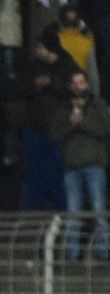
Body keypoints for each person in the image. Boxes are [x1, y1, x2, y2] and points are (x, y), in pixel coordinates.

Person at [48, 70, 110, 261]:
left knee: (99, 211)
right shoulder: (62, 108)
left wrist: (82, 121)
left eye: (81, 81)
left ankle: (103, 253)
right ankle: (71, 255)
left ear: (87, 84)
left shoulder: (98, 104)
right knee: (73, 214)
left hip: (95, 164)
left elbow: (105, 128)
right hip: (71, 167)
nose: (78, 85)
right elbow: (55, 134)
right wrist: (71, 123)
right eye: (74, 82)